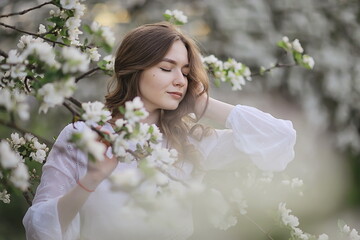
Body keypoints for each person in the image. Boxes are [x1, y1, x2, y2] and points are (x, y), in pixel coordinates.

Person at [23, 22, 296, 240]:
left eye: (186, 72)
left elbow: (279, 139)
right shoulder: (82, 137)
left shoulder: (189, 143)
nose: (179, 81)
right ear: (134, 69)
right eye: (167, 68)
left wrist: (204, 104)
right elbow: (40, 230)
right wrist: (90, 181)